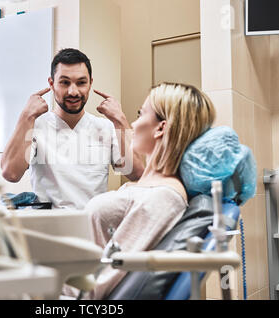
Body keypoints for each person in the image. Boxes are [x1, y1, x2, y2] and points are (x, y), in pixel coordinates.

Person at [62, 82, 216, 299]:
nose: (133, 123)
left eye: (140, 113)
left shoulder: (163, 197)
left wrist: (45, 286)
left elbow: (103, 282)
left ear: (161, 128)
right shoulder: (149, 186)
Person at [1, 48, 144, 209]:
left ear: (90, 83)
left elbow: (137, 174)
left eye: (81, 83)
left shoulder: (106, 127)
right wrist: (26, 116)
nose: (73, 91)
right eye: (65, 82)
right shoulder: (35, 126)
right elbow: (10, 173)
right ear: (51, 84)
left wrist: (120, 120)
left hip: (92, 225)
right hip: (49, 226)